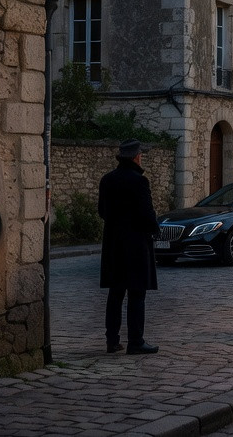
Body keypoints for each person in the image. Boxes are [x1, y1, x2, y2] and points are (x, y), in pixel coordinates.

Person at [98, 138, 161, 355]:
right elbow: (146, 212)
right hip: (135, 244)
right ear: (136, 157)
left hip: (114, 244)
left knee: (115, 294)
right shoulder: (139, 181)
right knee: (136, 294)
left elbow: (102, 212)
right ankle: (136, 341)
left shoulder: (107, 180)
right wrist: (154, 227)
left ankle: (112, 340)